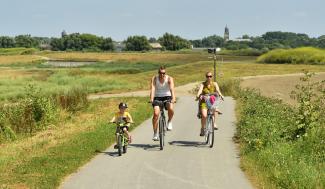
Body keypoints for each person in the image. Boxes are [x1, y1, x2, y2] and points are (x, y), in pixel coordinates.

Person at [150, 66, 176, 141]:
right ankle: (155, 133)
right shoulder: (154, 78)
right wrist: (151, 99)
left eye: (163, 73)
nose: (162, 75)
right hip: (157, 97)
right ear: (158, 73)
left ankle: (169, 121)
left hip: (167, 96)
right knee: (156, 114)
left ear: (165, 73)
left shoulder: (169, 78)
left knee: (170, 108)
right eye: (160, 73)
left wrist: (173, 98)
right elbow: (153, 89)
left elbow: (172, 89)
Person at [196, 71, 224, 136]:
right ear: (206, 77)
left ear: (212, 77)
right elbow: (200, 91)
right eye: (207, 76)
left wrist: (221, 95)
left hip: (212, 101)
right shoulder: (203, 84)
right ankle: (202, 128)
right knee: (204, 115)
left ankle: (214, 123)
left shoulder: (215, 84)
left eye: (210, 76)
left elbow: (218, 90)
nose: (209, 78)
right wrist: (198, 95)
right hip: (204, 102)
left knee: (215, 109)